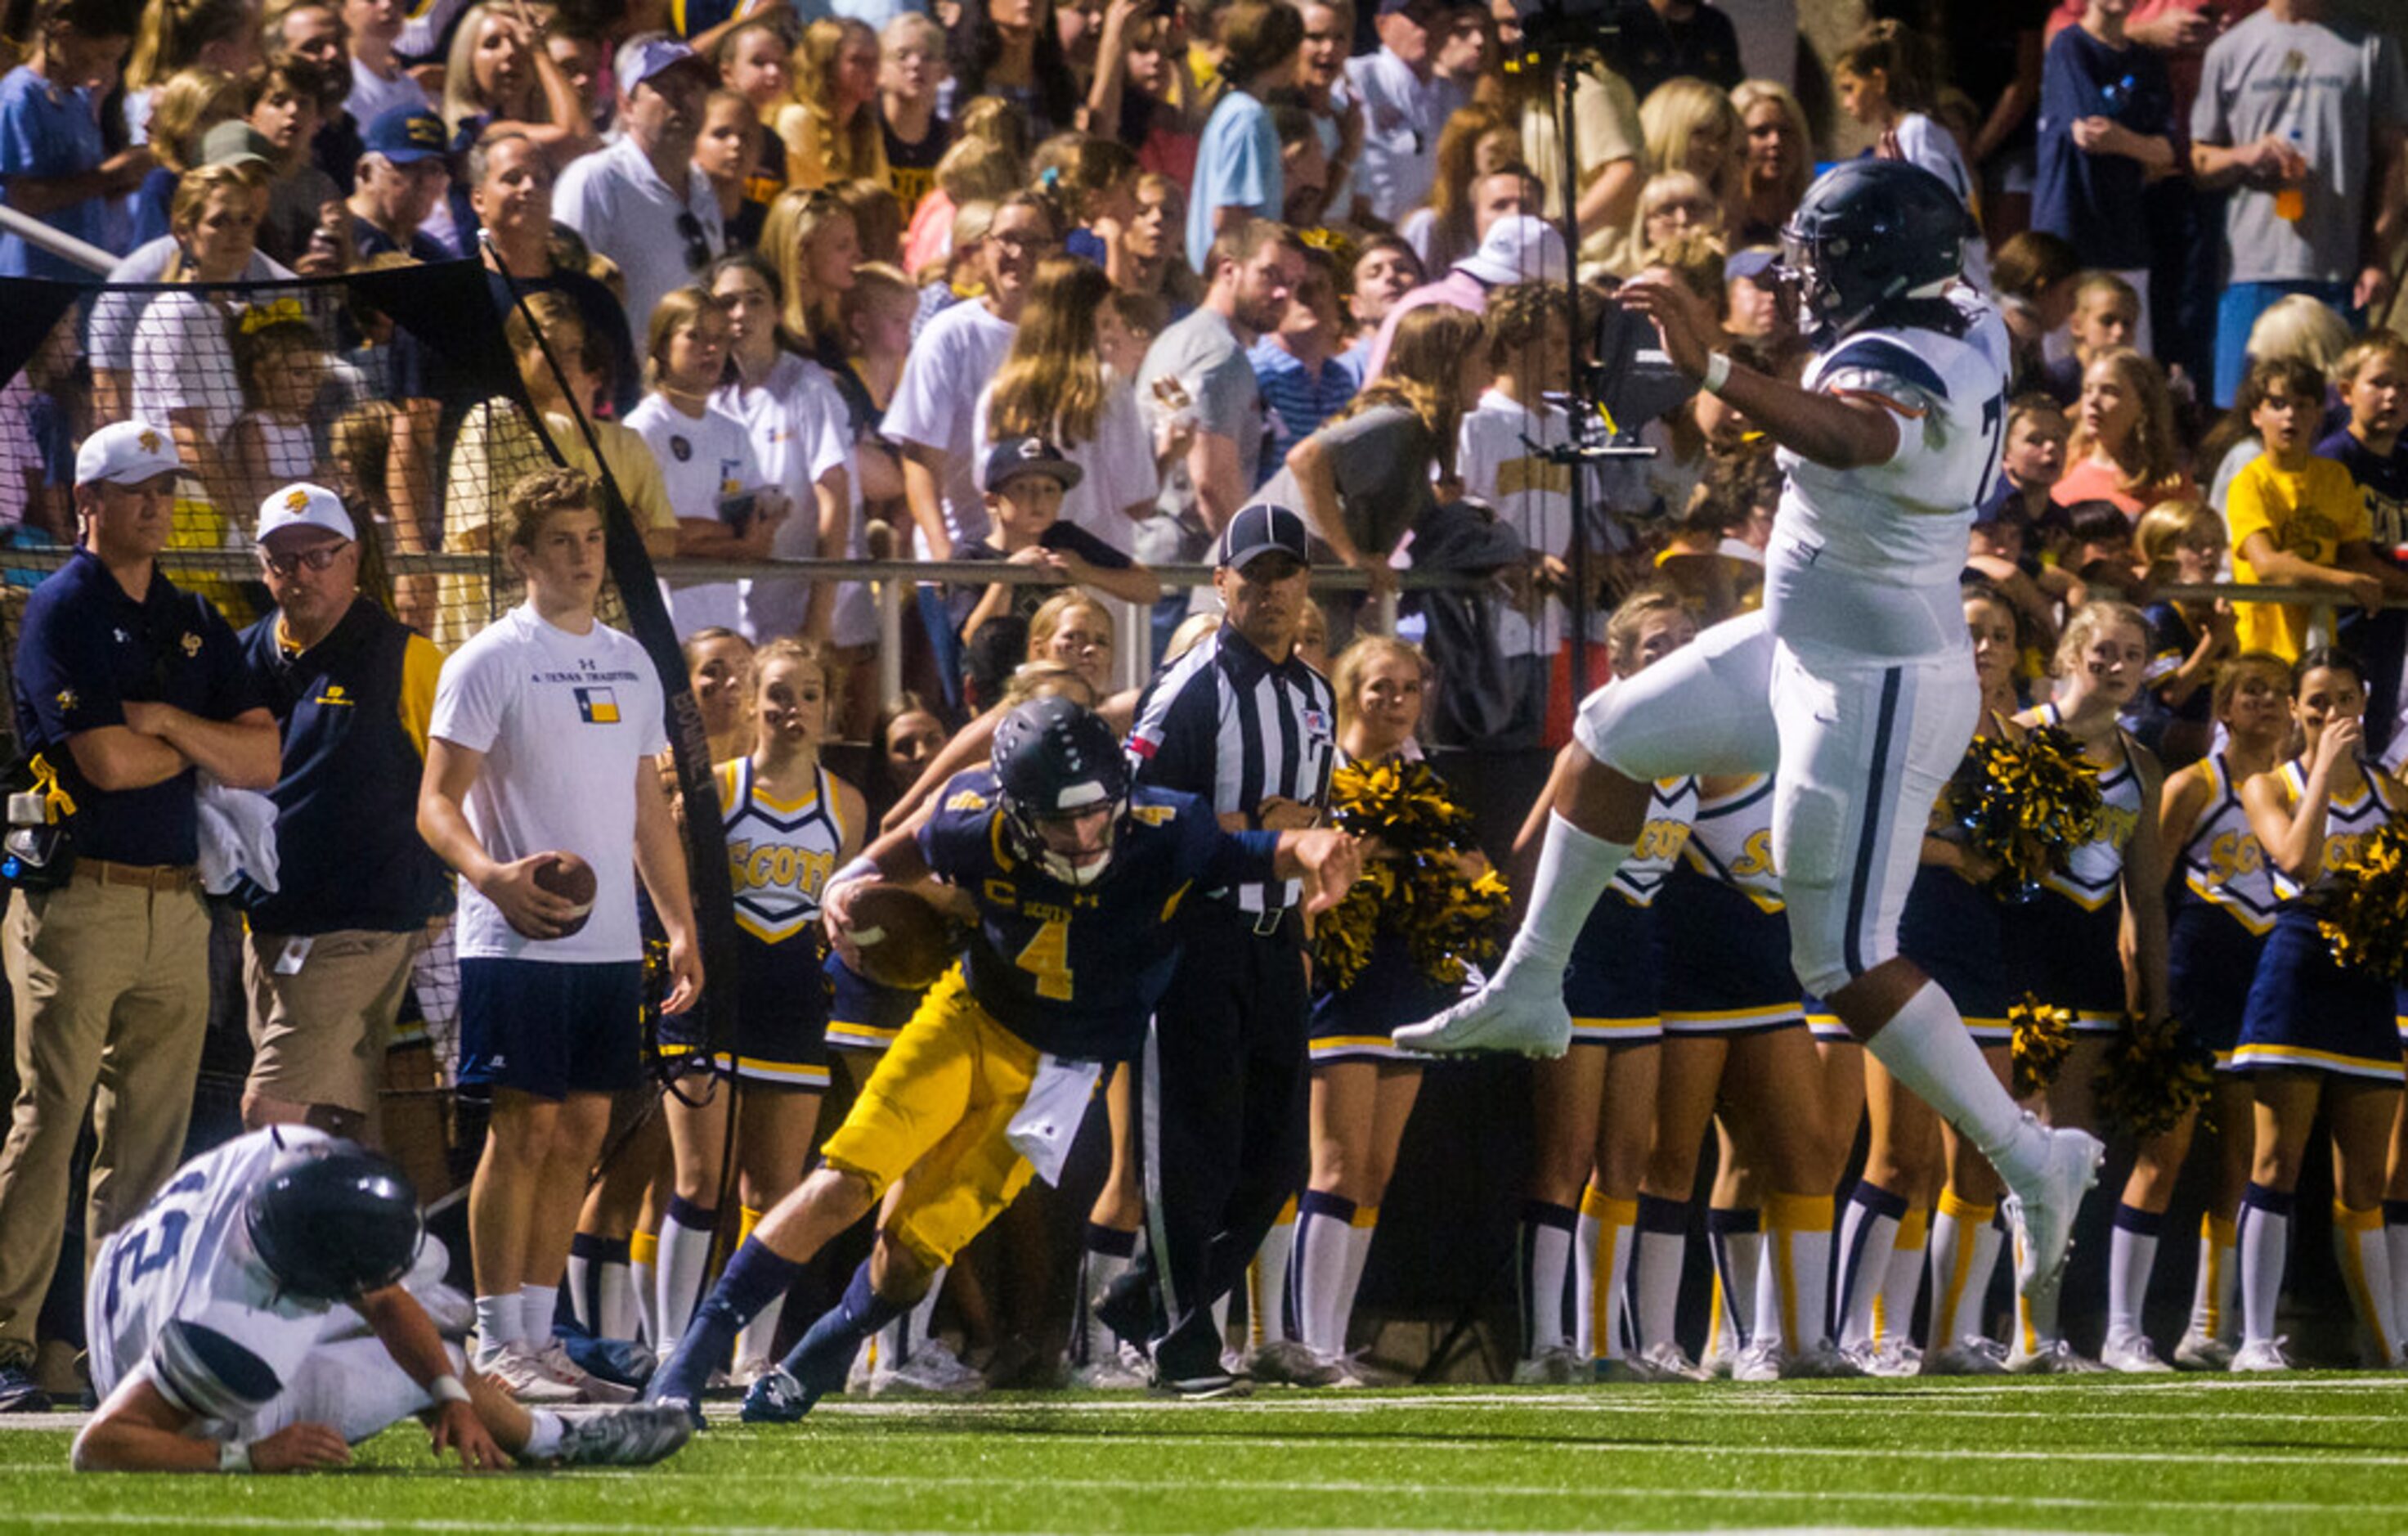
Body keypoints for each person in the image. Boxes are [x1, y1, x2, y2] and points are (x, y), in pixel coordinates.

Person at [1397, 162, 2105, 1335]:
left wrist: (1717, 365)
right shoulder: (1958, 314)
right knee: (1610, 733)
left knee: (1844, 959)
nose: (1803, 279)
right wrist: (1726, 355)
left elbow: (1854, 427)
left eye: (1822, 258)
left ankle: (2031, 1156)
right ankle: (1532, 984)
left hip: (1872, 680)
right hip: (1807, 634)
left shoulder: (1904, 368)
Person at [644, 694, 1360, 1417]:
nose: (1082, 835)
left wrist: (1313, 846)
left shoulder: (1164, 827)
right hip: (969, 1021)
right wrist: (849, 877)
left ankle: (820, 1354)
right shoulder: (973, 821)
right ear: (1014, 810)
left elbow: (1253, 852)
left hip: (1060, 1074)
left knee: (912, 1252)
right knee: (845, 1183)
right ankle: (694, 1359)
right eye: (1056, 818)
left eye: (1094, 811)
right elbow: (916, 840)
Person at [0, 422, 280, 1414]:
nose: (157, 505)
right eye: (136, 489)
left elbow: (263, 758)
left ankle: (110, 1346)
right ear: (89, 502)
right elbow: (105, 765)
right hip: (77, 898)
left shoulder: (191, 615)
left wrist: (162, 723)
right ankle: (7, 1339)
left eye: (165, 487)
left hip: (178, 903)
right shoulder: (59, 611)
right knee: (50, 1122)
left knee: (150, 1145)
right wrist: (190, 739)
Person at [415, 468, 704, 1404]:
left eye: (592, 539)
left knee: (582, 1128)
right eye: (562, 542)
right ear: (521, 558)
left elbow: (644, 809)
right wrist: (492, 879)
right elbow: (435, 804)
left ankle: (541, 1346)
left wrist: (680, 924)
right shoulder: (488, 660)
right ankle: (499, 1343)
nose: (582, 557)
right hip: (516, 940)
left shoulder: (630, 660)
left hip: (611, 942)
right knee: (524, 1126)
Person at [73, 1129, 693, 1472]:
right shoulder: (234, 1339)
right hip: (169, 1378)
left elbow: (386, 1297)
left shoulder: (288, 1152)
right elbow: (100, 1445)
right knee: (435, 1345)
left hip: (144, 1288)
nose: (379, 1288)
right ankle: (555, 1440)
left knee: (430, 1309)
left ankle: (494, 1410)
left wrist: (454, 1401)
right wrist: (243, 1456)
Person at [1106, 504, 1341, 1395]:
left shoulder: (1315, 694)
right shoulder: (1190, 687)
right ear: (1221, 583)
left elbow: (1307, 822)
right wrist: (1256, 829)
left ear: (1305, 584)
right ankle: (1181, 1340)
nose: (1270, 592)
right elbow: (1136, 822)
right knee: (1193, 1152)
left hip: (1277, 937)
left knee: (1277, 1156)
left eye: (1286, 575)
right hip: (1197, 937)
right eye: (1253, 575)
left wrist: (1312, 867)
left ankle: (1144, 1303)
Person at [653, 640, 865, 1383]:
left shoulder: (847, 804)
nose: (791, 709)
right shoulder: (711, 786)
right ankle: (670, 1350)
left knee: (774, 1190)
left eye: (808, 694)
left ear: (828, 709)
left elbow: (836, 914)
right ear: (749, 702)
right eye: (776, 693)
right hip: (711, 993)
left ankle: (748, 1355)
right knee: (697, 1181)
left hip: (792, 999)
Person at [235, 483, 451, 1143]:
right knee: (335, 1126)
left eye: (318, 556)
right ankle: (371, 1248)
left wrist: (451, 884)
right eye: (282, 560)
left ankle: (270, 1248)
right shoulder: (240, 657)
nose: (301, 573)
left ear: (354, 558)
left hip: (367, 925)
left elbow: (469, 782)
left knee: (272, 1112)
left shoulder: (410, 660)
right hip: (267, 928)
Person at [2231, 648, 2407, 1369]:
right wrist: (2325, 778)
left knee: (2364, 1178)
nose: (2332, 714)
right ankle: (2252, 1341)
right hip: (2297, 967)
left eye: (2344, 700)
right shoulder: (2266, 785)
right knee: (2275, 1161)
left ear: (2364, 705)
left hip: (2367, 977)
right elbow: (2297, 862)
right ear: (2298, 711)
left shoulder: (2394, 795)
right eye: (2316, 702)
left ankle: (2387, 1344)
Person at [2154, 649, 2290, 1371]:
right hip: (2191, 976)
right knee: (2163, 1154)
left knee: (2242, 1157)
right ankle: (2118, 1327)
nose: (2265, 703)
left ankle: (2209, 1326)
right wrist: (2143, 990)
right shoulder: (2193, 783)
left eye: (2278, 693)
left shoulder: (2300, 788)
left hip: (2263, 981)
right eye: (2250, 692)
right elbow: (2145, 891)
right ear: (2226, 709)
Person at [2188, 0, 2408, 409]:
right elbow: (2200, 161)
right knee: (2244, 411)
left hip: (2339, 269)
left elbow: (2395, 158)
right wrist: (2246, 156)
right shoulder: (2231, 49)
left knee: (2334, 413)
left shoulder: (2372, 45)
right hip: (2251, 269)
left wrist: (2379, 255)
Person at [2226, 355, 2408, 662]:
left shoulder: (2334, 477)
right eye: (2278, 404)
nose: (2290, 416)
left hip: (2321, 643)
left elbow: (2358, 558)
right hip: (2261, 647)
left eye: (2302, 405)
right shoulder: (2249, 482)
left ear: (2318, 414)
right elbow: (2268, 566)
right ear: (2257, 415)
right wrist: (2345, 581)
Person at [553, 38, 724, 348]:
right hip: (620, 386)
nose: (684, 100)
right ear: (627, 105)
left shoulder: (703, 187)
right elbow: (565, 292)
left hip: (687, 387)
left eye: (694, 88)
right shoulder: (596, 180)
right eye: (668, 87)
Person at [2033, 0, 2175, 357]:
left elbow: (2169, 152)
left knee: (2129, 364)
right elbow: (2089, 132)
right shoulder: (2070, 46)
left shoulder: (2148, 62)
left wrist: (2124, 140)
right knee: (2061, 363)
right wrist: (2141, 146)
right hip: (2068, 235)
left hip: (2126, 237)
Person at [0, 0, 148, 281]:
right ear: (64, 36)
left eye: (115, 59)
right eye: (101, 56)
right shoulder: (19, 98)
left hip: (80, 279)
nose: (105, 70)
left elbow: (83, 190)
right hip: (32, 279)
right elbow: (22, 199)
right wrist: (110, 175)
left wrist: (128, 178)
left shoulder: (79, 101)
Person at [1187, 0, 1304, 273]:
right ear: (1282, 54)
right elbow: (1229, 216)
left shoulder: (1234, 109)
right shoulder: (1248, 118)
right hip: (1232, 278)